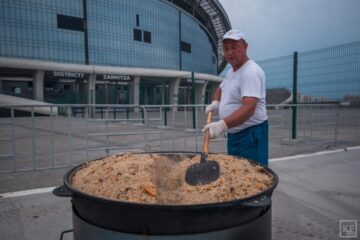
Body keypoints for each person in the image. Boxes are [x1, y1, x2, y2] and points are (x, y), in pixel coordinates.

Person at [202, 29, 268, 166]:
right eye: (226, 49)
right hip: (235, 135)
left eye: (234, 47)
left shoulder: (250, 72)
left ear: (245, 47)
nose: (230, 52)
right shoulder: (232, 71)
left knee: (253, 175)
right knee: (238, 171)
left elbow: (249, 108)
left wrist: (221, 125)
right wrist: (215, 102)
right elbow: (220, 89)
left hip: (251, 136)